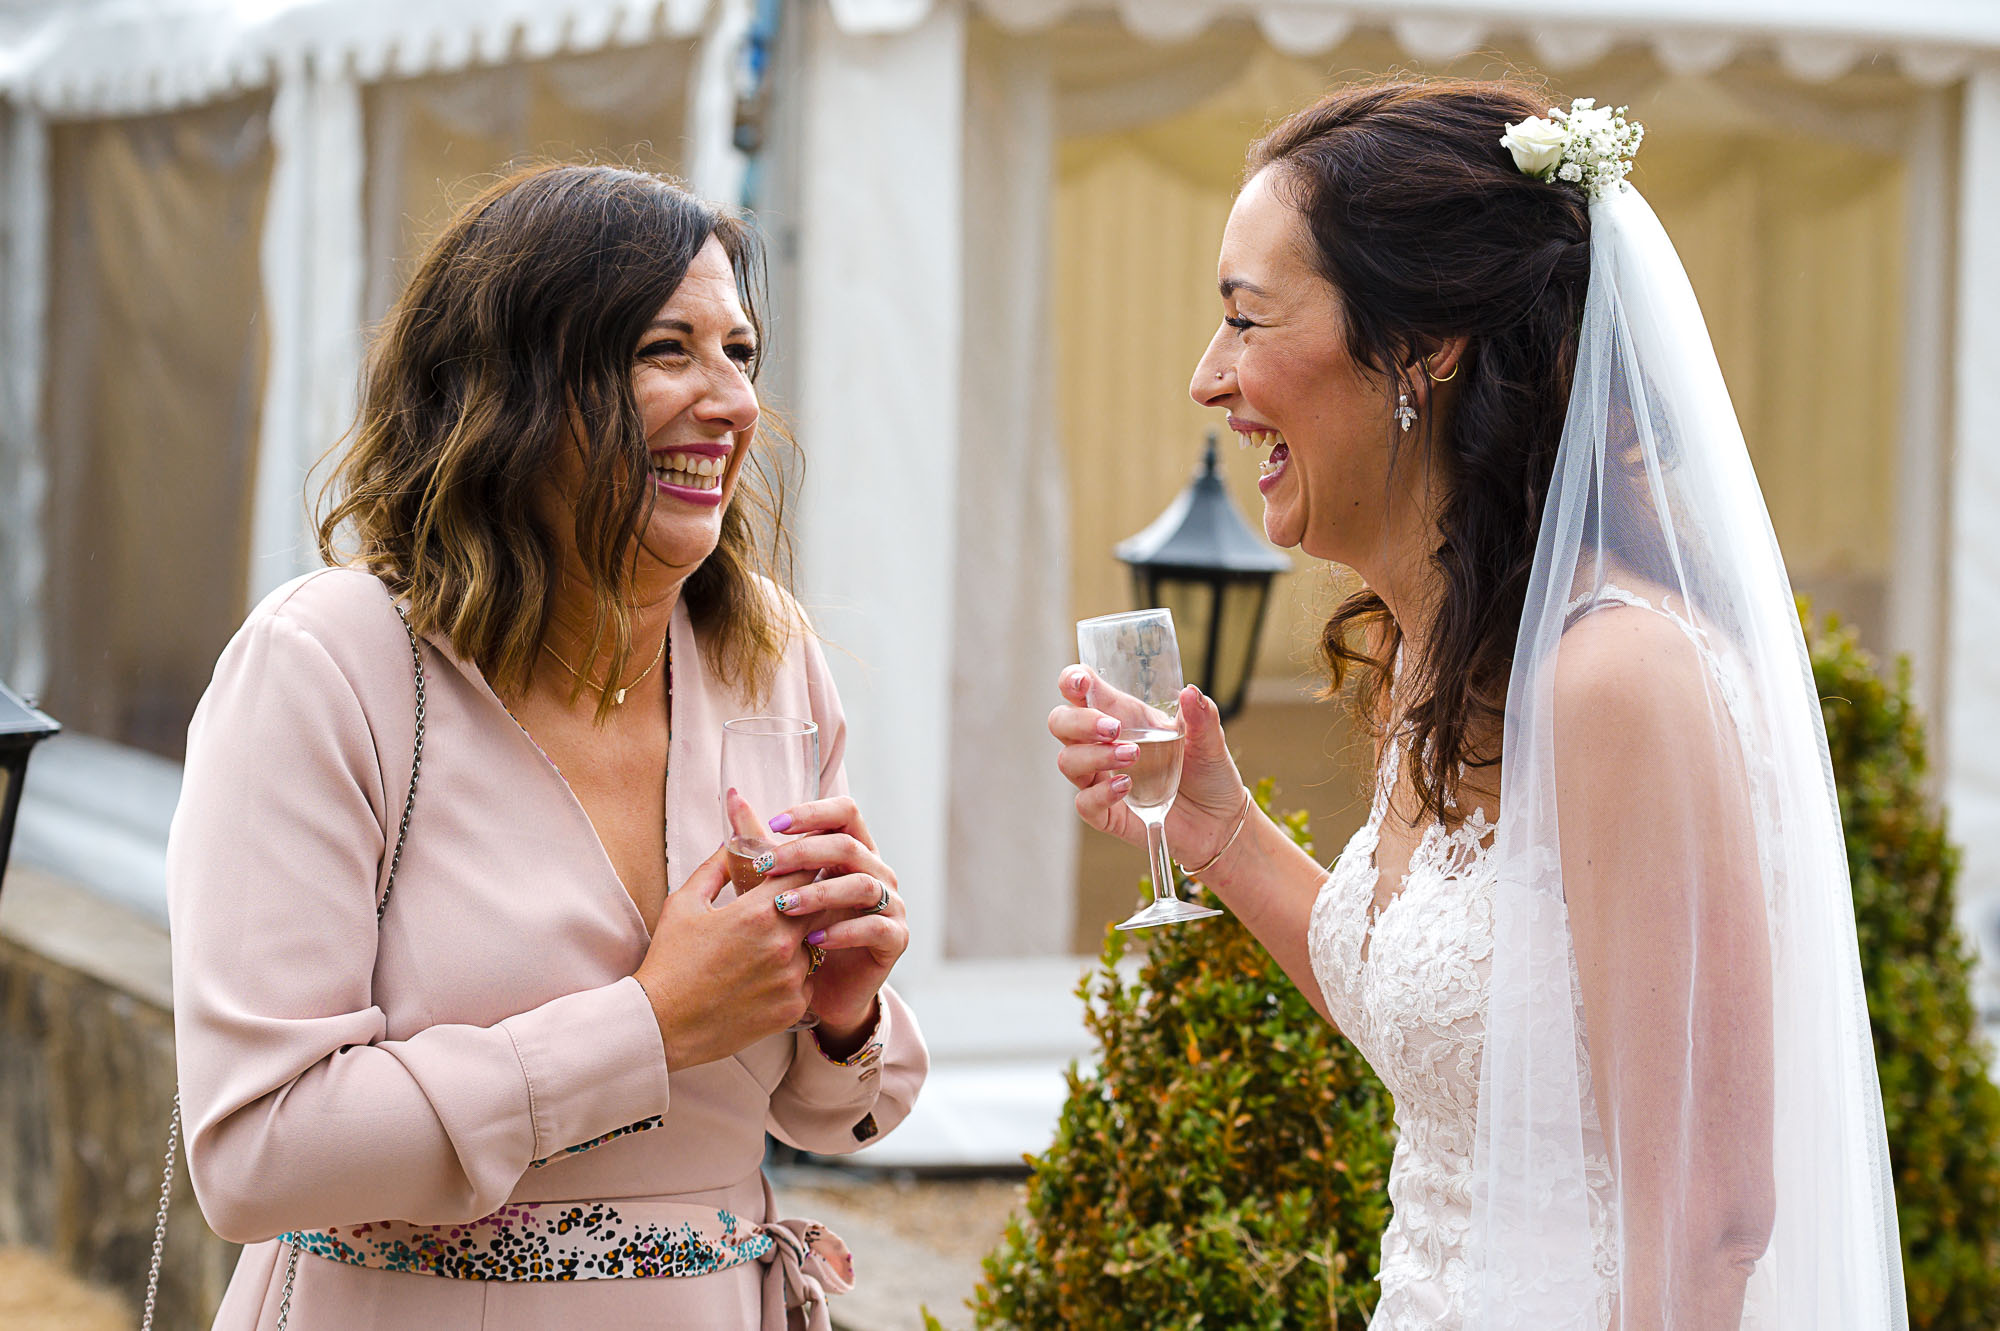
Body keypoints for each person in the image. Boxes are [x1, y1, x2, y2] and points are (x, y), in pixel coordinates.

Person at [1050, 79, 1905, 1329]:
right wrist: (1218, 833)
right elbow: (1452, 1034)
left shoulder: (1617, 679)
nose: (1206, 377)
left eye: (1244, 318)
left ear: (1421, 343)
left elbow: (1708, 1221)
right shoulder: (1439, 657)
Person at [168, 163, 927, 1330]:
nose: (731, 402)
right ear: (508, 388)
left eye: (739, 352)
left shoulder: (766, 656)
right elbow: (257, 1153)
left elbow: (834, 1114)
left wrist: (842, 1012)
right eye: (665, 350)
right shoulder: (327, 665)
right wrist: (648, 1025)